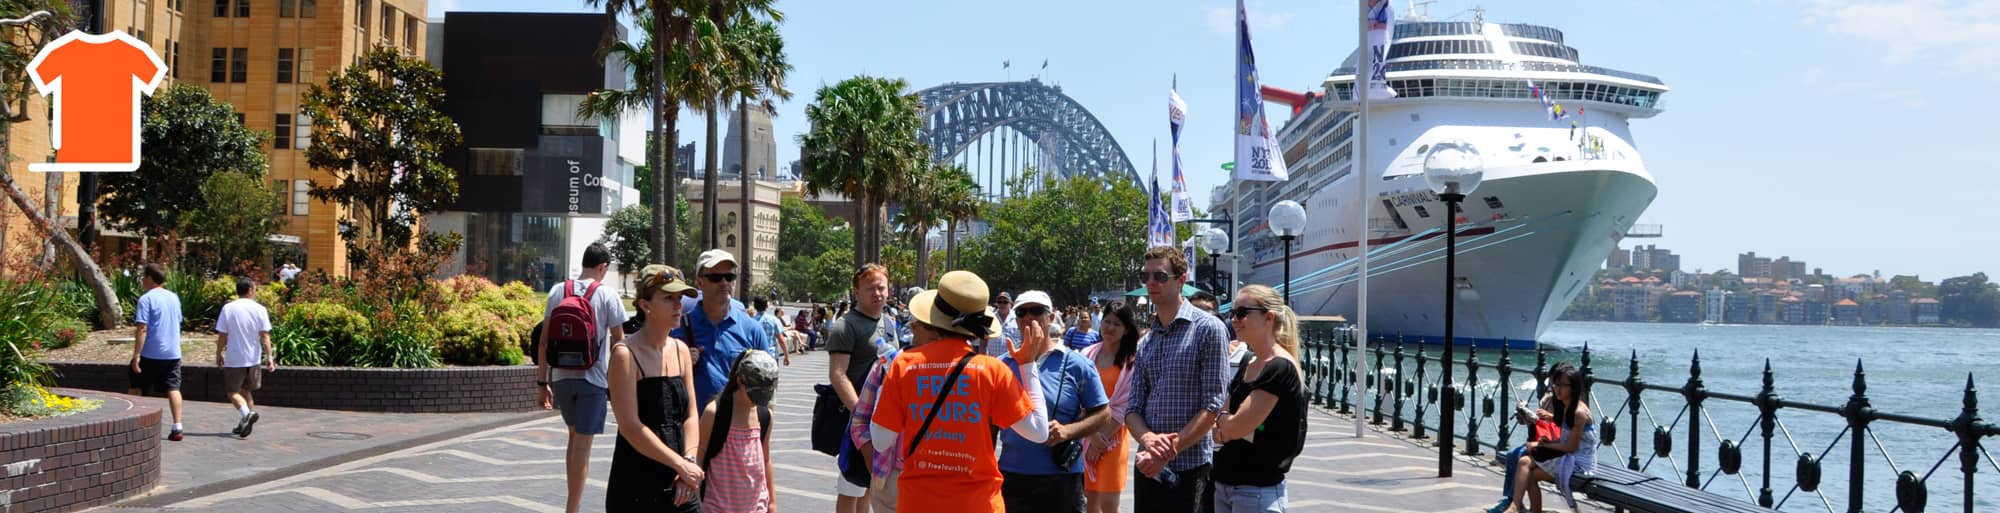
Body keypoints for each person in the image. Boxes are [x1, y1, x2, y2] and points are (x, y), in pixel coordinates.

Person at [870, 270, 1053, 513]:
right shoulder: (992, 370)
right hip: (979, 504)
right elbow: (1039, 432)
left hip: (919, 503)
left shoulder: (904, 365)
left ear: (935, 318)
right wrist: (1028, 365)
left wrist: (889, 378)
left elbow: (881, 441)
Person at [1125, 246, 1230, 513]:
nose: (1151, 283)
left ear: (1181, 279)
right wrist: (1148, 440)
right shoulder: (1146, 340)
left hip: (1189, 466)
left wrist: (1168, 449)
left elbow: (1212, 405)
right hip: (1148, 465)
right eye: (1145, 276)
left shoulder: (1208, 329)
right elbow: (1133, 407)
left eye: (1159, 276)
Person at [536, 243, 630, 513]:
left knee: (573, 438)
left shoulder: (557, 291)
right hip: (593, 379)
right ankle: (572, 508)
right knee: (583, 447)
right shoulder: (607, 294)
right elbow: (619, 343)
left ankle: (572, 503)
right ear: (602, 267)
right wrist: (620, 383)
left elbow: (544, 342)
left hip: (561, 377)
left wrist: (543, 383)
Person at [998, 291, 1111, 513]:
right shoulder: (1002, 366)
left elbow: (1103, 413)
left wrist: (1069, 431)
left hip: (1061, 478)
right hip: (1012, 474)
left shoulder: (1077, 363)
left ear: (1051, 318)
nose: (1029, 316)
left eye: (1037, 310)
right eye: (1022, 311)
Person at [606, 265, 703, 512]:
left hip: (681, 484)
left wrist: (688, 464)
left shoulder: (681, 349)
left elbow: (691, 415)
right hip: (638, 485)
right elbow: (630, 426)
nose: (678, 305)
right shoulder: (625, 354)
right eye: (668, 298)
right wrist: (680, 465)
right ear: (645, 305)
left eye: (680, 298)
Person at [1211, 285, 1309, 513]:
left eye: (1243, 312)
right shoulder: (1250, 362)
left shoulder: (1278, 367)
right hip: (1226, 484)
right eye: (1232, 313)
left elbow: (1233, 427)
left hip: (1256, 490)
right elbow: (1223, 426)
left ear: (1269, 318)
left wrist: (1227, 425)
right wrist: (1227, 425)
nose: (1234, 319)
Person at [826, 263, 894, 512]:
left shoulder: (888, 323)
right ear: (857, 292)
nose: (877, 293)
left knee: (868, 485)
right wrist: (860, 414)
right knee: (850, 485)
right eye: (870, 289)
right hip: (858, 420)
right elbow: (837, 374)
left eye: (881, 288)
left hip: (883, 419)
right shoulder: (846, 326)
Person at [674, 249, 774, 409]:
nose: (724, 283)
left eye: (729, 277)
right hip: (694, 428)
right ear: (699, 282)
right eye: (715, 277)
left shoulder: (752, 330)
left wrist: (764, 428)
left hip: (738, 429)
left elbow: (767, 385)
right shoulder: (678, 329)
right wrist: (681, 364)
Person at [1506, 362, 1596, 513]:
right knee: (1524, 462)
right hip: (1568, 457)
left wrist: (1542, 445)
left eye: (1562, 385)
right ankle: (1514, 506)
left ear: (1573, 387)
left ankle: (1516, 507)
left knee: (1529, 473)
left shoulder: (1578, 412)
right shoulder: (1569, 405)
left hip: (1579, 465)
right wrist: (1551, 420)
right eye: (1555, 384)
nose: (1556, 388)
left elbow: (1571, 447)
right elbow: (1567, 429)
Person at [700, 350, 782, 513]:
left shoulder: (764, 416)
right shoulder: (715, 413)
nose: (757, 401)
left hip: (755, 505)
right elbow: (699, 455)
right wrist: (696, 497)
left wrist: (772, 502)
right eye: (754, 394)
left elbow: (766, 460)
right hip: (717, 506)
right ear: (739, 380)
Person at [1082, 302, 1139, 513]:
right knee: (1090, 503)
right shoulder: (1086, 354)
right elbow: (1078, 398)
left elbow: (1124, 405)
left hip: (1113, 440)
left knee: (1109, 505)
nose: (1110, 327)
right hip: (1086, 435)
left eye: (1117, 323)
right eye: (1107, 321)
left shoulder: (1131, 362)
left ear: (1126, 329)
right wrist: (1092, 436)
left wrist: (1100, 441)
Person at [128, 263, 187, 441]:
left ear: (149, 278)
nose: (142, 281)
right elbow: (178, 322)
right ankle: (178, 427)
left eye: (143, 277)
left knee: (136, 385)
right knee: (173, 387)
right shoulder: (174, 297)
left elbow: (142, 328)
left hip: (151, 353)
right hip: (173, 353)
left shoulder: (146, 299)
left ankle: (134, 424)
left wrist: (137, 355)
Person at [213, 278, 274, 438]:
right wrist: (270, 356)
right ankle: (245, 420)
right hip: (253, 358)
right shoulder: (260, 309)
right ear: (250, 290)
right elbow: (265, 335)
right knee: (246, 391)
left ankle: (246, 414)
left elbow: (222, 334)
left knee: (232, 392)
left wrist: (219, 353)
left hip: (235, 358)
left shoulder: (228, 308)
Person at [1486, 389, 1561, 513]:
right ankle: (1512, 499)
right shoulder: (1548, 398)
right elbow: (1538, 429)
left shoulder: (1560, 403)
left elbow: (1555, 430)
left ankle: (1513, 501)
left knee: (1521, 456)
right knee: (1512, 454)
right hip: (1541, 442)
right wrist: (1525, 414)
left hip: (1548, 446)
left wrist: (1541, 419)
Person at [753, 298, 791, 365]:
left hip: (755, 357)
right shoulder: (774, 320)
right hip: (771, 355)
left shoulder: (751, 321)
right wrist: (786, 356)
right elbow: (781, 340)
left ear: (754, 306)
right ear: (767, 306)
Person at [983, 291, 1017, 357]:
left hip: (1013, 361)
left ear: (1011, 304)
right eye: (1000, 302)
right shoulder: (989, 318)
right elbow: (983, 342)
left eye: (1005, 302)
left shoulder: (1018, 318)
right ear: (997, 304)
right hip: (993, 360)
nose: (1002, 304)